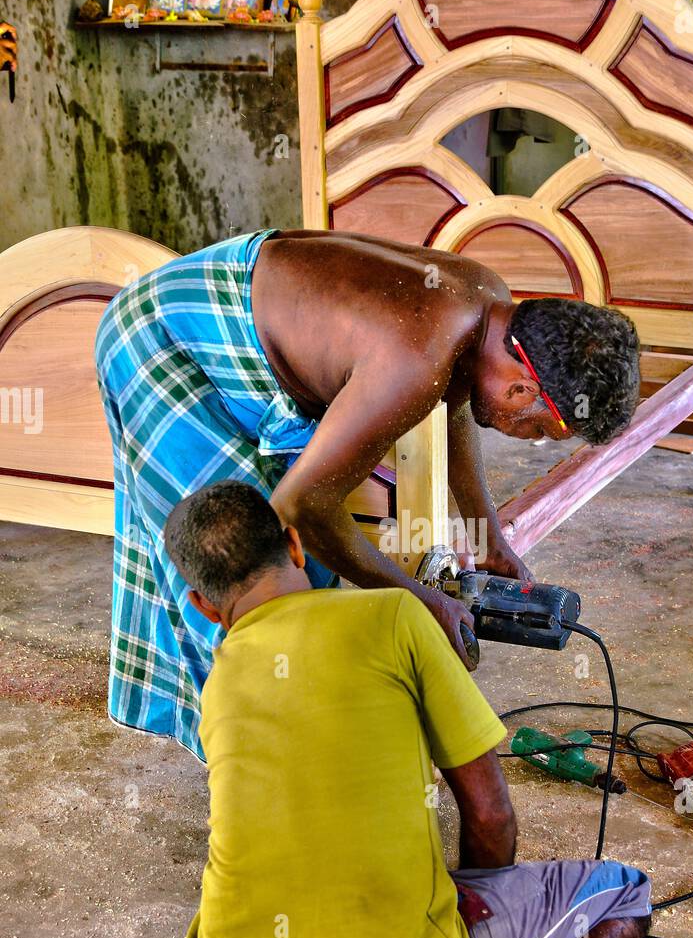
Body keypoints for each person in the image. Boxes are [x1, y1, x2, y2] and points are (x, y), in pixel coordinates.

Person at [164, 480, 651, 938]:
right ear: (297, 545)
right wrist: (475, 899)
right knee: (625, 897)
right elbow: (489, 811)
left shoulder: (217, 682)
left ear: (205, 608)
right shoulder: (393, 616)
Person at [96, 229, 639, 757]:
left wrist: (487, 534)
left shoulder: (489, 303)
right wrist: (417, 599)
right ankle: (248, 749)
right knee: (243, 567)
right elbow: (302, 508)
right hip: (159, 338)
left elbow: (452, 406)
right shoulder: (418, 357)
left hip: (209, 308)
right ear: (523, 386)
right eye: (541, 429)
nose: (530, 438)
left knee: (302, 567)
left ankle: (234, 714)